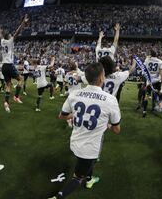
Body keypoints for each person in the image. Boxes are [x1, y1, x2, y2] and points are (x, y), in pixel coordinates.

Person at [48, 62, 121, 199]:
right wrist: (108, 125)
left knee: (86, 163)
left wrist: (75, 115)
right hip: (89, 148)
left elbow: (62, 116)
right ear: (101, 78)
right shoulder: (110, 100)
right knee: (77, 178)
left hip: (75, 141)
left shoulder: (75, 94)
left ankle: (89, 178)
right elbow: (117, 129)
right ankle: (58, 197)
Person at [0, 14, 29, 113]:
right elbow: (17, 32)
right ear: (9, 37)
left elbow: (1, 36)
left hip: (4, 67)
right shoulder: (10, 41)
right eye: (11, 35)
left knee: (8, 86)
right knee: (21, 79)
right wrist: (23, 23)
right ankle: (16, 96)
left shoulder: (2, 41)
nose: (12, 36)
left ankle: (6, 103)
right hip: (9, 65)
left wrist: (0, 31)